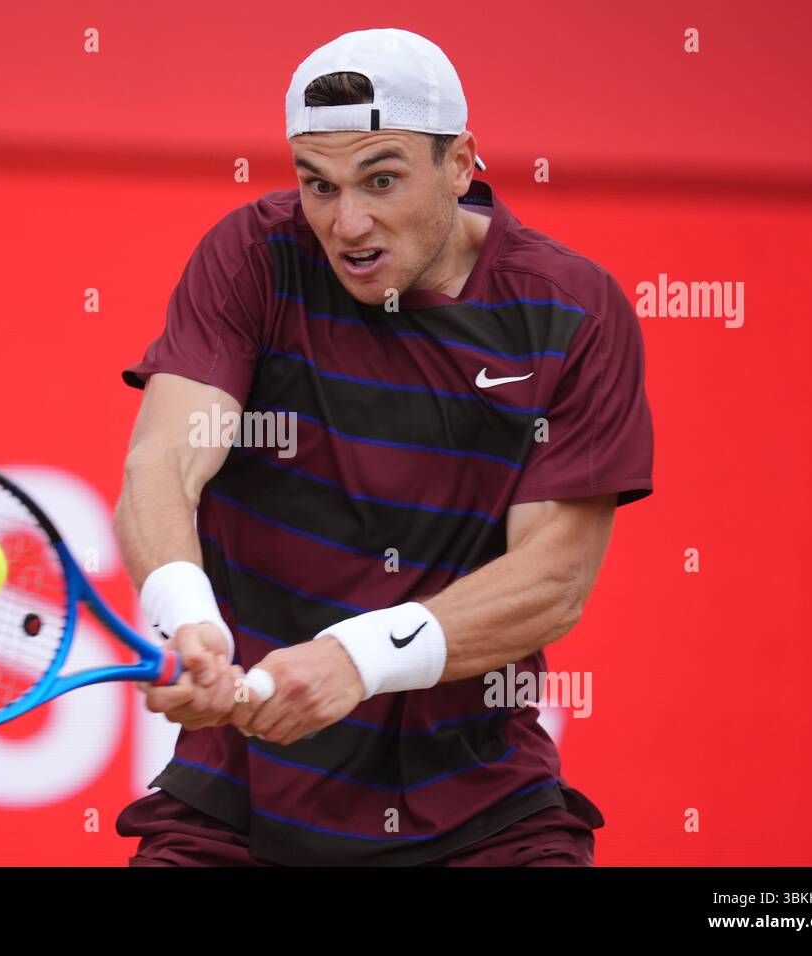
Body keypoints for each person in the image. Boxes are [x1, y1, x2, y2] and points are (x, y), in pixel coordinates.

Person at [113, 27, 654, 866]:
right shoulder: (254, 258)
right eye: (318, 186)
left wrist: (355, 660)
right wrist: (189, 618)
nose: (348, 222)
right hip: (239, 807)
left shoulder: (569, 311)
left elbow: (554, 581)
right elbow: (163, 462)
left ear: (462, 162)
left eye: (383, 179)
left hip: (482, 810)